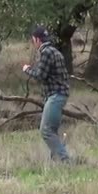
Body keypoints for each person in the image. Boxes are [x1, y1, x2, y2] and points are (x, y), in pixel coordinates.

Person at [22, 26, 76, 164]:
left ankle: (65, 161)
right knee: (52, 130)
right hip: (60, 95)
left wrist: (27, 69)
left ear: (37, 40)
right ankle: (56, 161)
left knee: (46, 130)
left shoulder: (46, 53)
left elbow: (40, 76)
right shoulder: (55, 52)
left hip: (55, 96)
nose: (33, 43)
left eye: (33, 40)